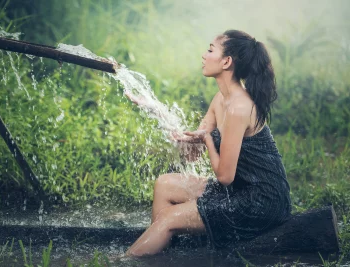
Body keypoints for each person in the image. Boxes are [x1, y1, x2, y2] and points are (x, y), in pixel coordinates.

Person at [125, 30, 292, 257]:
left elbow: (224, 176)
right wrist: (154, 110)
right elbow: (190, 149)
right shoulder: (220, 99)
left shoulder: (239, 108)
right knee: (164, 184)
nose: (204, 55)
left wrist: (207, 141)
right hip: (239, 189)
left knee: (168, 218)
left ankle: (123, 261)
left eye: (210, 50)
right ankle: (166, 250)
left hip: (262, 201)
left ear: (226, 61)